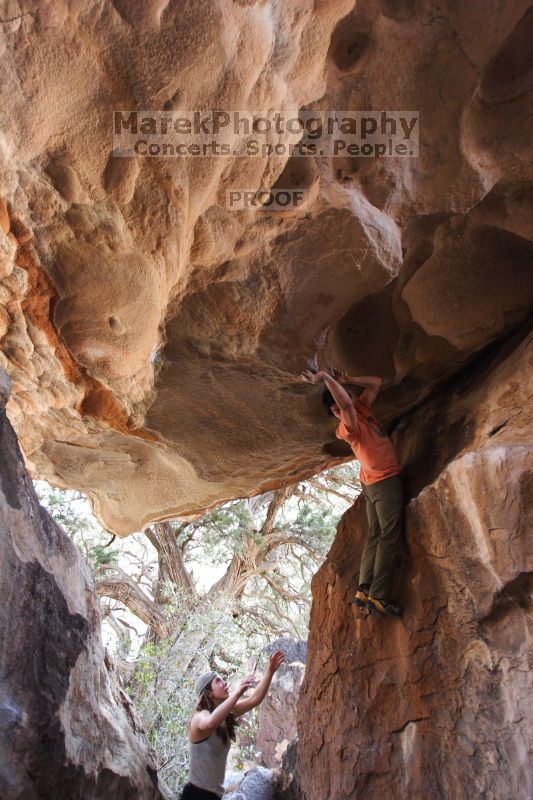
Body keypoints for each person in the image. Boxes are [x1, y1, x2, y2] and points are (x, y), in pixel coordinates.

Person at [301, 367, 404, 617]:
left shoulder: (362, 408)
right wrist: (326, 378)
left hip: (371, 482)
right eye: (335, 411)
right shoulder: (348, 428)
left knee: (375, 535)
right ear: (335, 414)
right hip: (383, 481)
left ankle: (364, 590)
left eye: (339, 405)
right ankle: (379, 597)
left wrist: (347, 379)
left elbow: (376, 381)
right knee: (389, 536)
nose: (340, 410)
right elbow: (346, 407)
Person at [181, 650, 285, 799]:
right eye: (218, 681)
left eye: (222, 679)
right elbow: (210, 723)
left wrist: (270, 670)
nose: (224, 683)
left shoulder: (226, 714)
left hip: (214, 796)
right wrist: (236, 694)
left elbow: (254, 699)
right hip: (195, 795)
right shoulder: (199, 716)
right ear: (209, 693)